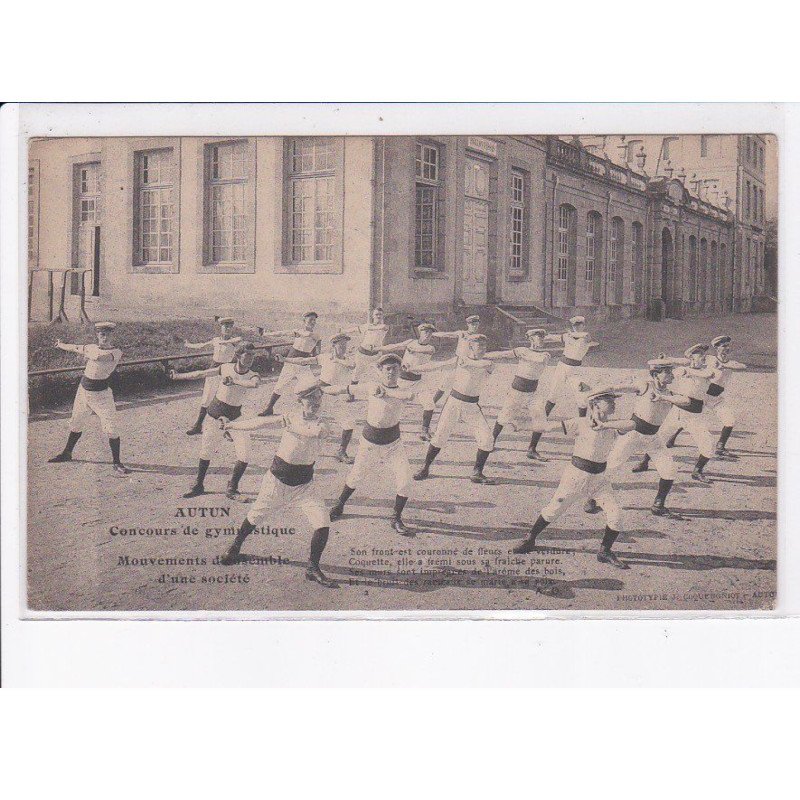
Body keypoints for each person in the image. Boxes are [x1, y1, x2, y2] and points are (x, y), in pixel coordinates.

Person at [219, 376, 338, 588]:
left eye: (318, 400)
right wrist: (233, 425)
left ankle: (312, 567)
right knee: (255, 515)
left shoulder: (323, 424)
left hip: (304, 486)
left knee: (322, 522)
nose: (315, 404)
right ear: (300, 401)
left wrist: (292, 426)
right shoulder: (290, 417)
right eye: (310, 400)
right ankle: (235, 546)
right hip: (276, 481)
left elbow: (314, 432)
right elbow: (260, 422)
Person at [511, 388, 634, 569]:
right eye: (608, 399)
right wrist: (522, 426)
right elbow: (548, 427)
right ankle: (530, 539)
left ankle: (604, 551)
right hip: (576, 477)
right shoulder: (580, 423)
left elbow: (632, 424)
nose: (614, 402)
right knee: (553, 510)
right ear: (595, 404)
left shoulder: (613, 426)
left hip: (599, 480)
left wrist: (605, 425)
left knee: (616, 515)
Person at [327, 353, 415, 534]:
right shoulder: (371, 387)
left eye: (395, 369)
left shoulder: (403, 389)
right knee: (355, 476)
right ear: (381, 371)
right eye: (387, 369)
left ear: (400, 371)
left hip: (393, 445)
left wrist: (386, 391)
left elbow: (408, 396)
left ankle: (396, 517)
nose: (391, 372)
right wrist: (322, 390)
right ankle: (340, 504)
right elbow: (345, 389)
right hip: (370, 443)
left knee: (405, 481)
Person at [595, 359, 694, 518]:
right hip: (632, 434)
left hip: (653, 437)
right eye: (667, 372)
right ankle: (593, 498)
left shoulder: (669, 394)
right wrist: (593, 392)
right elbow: (615, 387)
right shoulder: (645, 386)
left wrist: (663, 398)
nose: (671, 375)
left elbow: (687, 401)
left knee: (669, 470)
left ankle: (658, 504)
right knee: (612, 466)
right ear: (656, 374)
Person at [171, 342, 260, 500]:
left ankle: (232, 488)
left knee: (245, 455)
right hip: (214, 414)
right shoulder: (225, 367)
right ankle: (198, 485)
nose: (251, 358)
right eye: (248, 355)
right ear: (238, 356)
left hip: (235, 418)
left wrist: (234, 381)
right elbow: (201, 373)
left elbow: (254, 384)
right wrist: (178, 376)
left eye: (253, 355)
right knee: (206, 451)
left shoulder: (253, 374)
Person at [413, 334, 498, 485]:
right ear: (471, 347)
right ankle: (425, 468)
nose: (484, 349)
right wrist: (414, 368)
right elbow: (437, 366)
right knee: (439, 436)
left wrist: (466, 362)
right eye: (480, 346)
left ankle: (477, 472)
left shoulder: (488, 363)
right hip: (454, 403)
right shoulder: (460, 360)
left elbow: (481, 365)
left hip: (472, 406)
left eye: (485, 346)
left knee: (487, 439)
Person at [48, 321, 130, 476]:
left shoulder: (116, 352)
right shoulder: (91, 348)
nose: (105, 337)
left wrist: (87, 352)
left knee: (111, 429)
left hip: (102, 396)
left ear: (113, 335)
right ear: (97, 335)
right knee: (76, 423)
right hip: (84, 392)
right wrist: (61, 344)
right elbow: (75, 347)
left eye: (108, 334)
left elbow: (102, 358)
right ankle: (67, 453)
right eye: (102, 334)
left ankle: (117, 463)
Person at [527, 315, 598, 459]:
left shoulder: (585, 336)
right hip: (562, 368)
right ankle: (532, 447)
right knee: (550, 401)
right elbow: (550, 338)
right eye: (574, 325)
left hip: (575, 371)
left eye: (579, 325)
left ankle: (582, 442)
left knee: (583, 401)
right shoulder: (567, 336)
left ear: (584, 325)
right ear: (572, 326)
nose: (577, 327)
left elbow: (584, 336)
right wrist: (540, 336)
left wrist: (568, 334)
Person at [280, 332, 357, 463]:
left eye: (345, 344)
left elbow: (351, 366)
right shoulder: (324, 357)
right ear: (333, 345)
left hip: (336, 396)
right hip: (319, 393)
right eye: (341, 344)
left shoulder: (347, 360)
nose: (344, 347)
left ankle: (341, 452)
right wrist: (285, 359)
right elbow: (304, 361)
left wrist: (337, 359)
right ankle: (293, 449)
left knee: (349, 423)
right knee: (304, 421)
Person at [659, 344, 718, 483]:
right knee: (658, 438)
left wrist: (688, 368)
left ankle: (697, 471)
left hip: (695, 415)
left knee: (708, 444)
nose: (703, 357)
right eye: (699, 354)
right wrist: (667, 359)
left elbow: (707, 374)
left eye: (704, 354)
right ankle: (644, 461)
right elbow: (673, 371)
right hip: (677, 412)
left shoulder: (708, 370)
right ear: (691, 357)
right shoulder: (680, 370)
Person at [490, 328, 553, 449]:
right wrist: (485, 356)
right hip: (517, 391)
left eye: (542, 337)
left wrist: (522, 354)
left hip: (533, 392)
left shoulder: (545, 355)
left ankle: (532, 449)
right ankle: (491, 442)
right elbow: (502, 354)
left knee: (540, 418)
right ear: (530, 339)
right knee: (504, 417)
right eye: (538, 337)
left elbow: (538, 359)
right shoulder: (522, 350)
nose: (541, 339)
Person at [379, 322, 439, 440]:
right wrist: (378, 348)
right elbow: (395, 346)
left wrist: (411, 364)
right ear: (420, 332)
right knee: (391, 404)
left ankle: (424, 431)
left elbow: (422, 358)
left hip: (418, 381)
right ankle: (383, 428)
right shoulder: (410, 343)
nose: (428, 335)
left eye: (430, 333)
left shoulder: (431, 348)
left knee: (429, 404)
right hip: (403, 381)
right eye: (425, 332)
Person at [183, 316, 241, 436]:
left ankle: (228, 429)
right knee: (207, 397)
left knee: (226, 398)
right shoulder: (215, 340)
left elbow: (237, 339)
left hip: (227, 370)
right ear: (221, 327)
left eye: (230, 326)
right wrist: (189, 345)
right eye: (225, 326)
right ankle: (198, 426)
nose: (228, 329)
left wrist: (220, 342)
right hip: (214, 369)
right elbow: (202, 345)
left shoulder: (235, 340)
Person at [257, 311, 322, 416]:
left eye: (314, 320)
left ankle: (310, 410)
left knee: (311, 386)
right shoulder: (299, 331)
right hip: (289, 362)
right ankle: (269, 408)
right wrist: (266, 333)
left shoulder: (316, 335)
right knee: (279, 386)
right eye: (310, 320)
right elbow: (282, 333)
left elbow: (313, 343)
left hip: (303, 365)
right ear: (304, 321)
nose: (313, 322)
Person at [705, 335, 747, 457]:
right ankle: (671, 438)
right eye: (724, 346)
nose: (727, 348)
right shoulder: (710, 359)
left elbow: (743, 367)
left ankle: (720, 446)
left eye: (728, 346)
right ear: (717, 348)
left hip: (716, 399)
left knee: (729, 421)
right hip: (703, 396)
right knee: (687, 420)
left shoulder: (730, 362)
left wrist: (725, 365)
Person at [430, 314, 481, 406]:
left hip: (469, 364)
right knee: (445, 382)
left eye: (476, 325)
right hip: (457, 362)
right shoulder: (462, 334)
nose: (475, 327)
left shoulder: (479, 337)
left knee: (466, 386)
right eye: (473, 325)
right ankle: (432, 403)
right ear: (468, 325)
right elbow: (447, 334)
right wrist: (433, 334)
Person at [343, 307, 390, 385]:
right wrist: (343, 331)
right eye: (376, 314)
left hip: (375, 356)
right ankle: (351, 394)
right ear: (373, 316)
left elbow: (380, 327)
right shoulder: (367, 326)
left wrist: (367, 327)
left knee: (380, 374)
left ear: (382, 316)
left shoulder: (384, 327)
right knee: (356, 374)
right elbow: (354, 329)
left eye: (380, 314)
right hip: (362, 354)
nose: (378, 316)